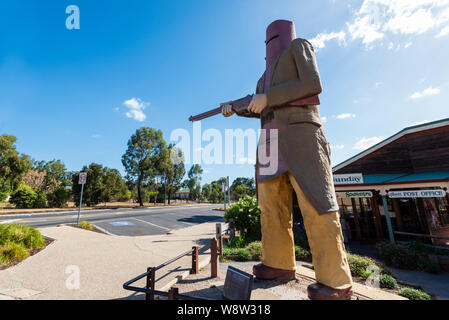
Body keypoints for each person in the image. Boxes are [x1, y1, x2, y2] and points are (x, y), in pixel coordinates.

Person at [222, 20, 353, 300]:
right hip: (268, 144)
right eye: (267, 41)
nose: (270, 43)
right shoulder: (262, 77)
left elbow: (312, 84)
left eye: (273, 37)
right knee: (270, 208)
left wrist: (268, 96)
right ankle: (278, 264)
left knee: (318, 204)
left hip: (301, 136)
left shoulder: (299, 46)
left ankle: (335, 281)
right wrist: (235, 107)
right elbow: (260, 106)